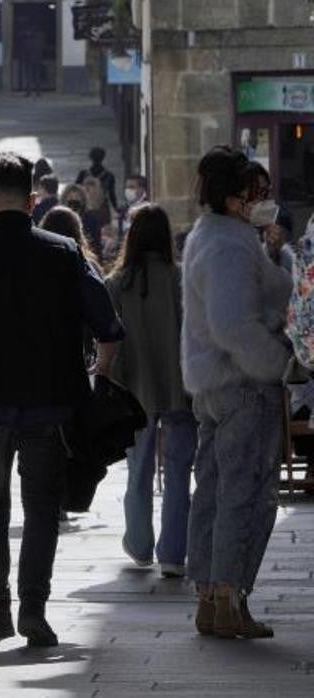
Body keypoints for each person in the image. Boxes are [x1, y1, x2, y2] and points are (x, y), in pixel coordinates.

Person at [0, 153, 124, 647]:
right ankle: (34, 610)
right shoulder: (65, 253)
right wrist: (96, 378)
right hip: (50, 404)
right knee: (42, 509)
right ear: (33, 200)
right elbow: (109, 330)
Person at [181, 146, 291, 639]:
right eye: (255, 194)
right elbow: (234, 324)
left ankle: (209, 597)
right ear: (232, 198)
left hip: (212, 385)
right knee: (243, 496)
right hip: (243, 384)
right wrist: (278, 363)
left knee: (213, 491)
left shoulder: (217, 236)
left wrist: (273, 252)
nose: (263, 201)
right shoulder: (228, 245)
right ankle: (228, 597)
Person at [105, 205, 196, 578]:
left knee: (138, 470)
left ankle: (140, 544)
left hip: (135, 392)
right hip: (181, 388)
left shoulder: (117, 283)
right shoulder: (181, 278)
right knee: (179, 471)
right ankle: (174, 552)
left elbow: (109, 341)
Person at [60, 183, 103, 254]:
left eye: (77, 196)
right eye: (70, 197)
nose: (74, 199)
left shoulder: (91, 218)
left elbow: (96, 242)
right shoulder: (60, 217)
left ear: (82, 200)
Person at [77, 146, 119, 212]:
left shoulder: (83, 174)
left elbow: (77, 191)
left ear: (90, 158)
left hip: (87, 205)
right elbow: (112, 195)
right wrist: (115, 208)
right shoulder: (109, 175)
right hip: (102, 205)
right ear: (103, 158)